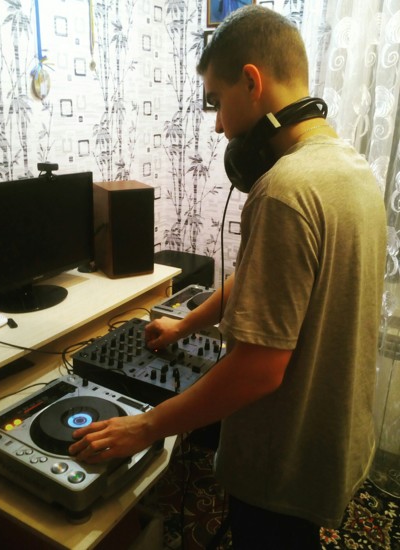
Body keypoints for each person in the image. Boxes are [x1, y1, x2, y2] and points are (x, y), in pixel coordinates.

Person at [69, 6, 387, 548]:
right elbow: (266, 279)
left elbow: (258, 371)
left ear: (252, 81)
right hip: (332, 444)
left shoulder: (285, 191)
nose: (217, 125)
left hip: (280, 466)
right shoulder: (352, 170)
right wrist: (183, 325)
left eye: (217, 101)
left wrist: (144, 427)